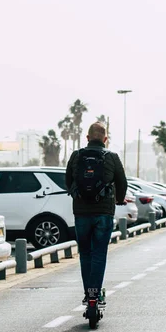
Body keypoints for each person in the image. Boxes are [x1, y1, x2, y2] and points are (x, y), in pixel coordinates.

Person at [65, 121, 127, 306]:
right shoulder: (112, 157)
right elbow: (122, 182)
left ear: (87, 138)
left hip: (82, 213)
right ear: (105, 139)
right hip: (103, 213)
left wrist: (78, 195)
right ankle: (95, 294)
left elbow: (68, 180)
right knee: (99, 254)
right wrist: (119, 198)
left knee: (85, 254)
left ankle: (88, 294)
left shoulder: (76, 156)